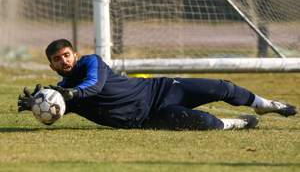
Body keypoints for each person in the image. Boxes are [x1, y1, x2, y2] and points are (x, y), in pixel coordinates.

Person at [18, 39, 298, 130]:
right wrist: (37, 104)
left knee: (224, 87)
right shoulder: (61, 94)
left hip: (160, 89)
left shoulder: (92, 62)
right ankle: (238, 123)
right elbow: (55, 114)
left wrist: (69, 92)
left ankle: (265, 105)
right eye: (57, 59)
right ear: (52, 66)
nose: (64, 61)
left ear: (74, 55)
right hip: (146, 118)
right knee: (207, 124)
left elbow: (94, 85)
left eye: (66, 55)